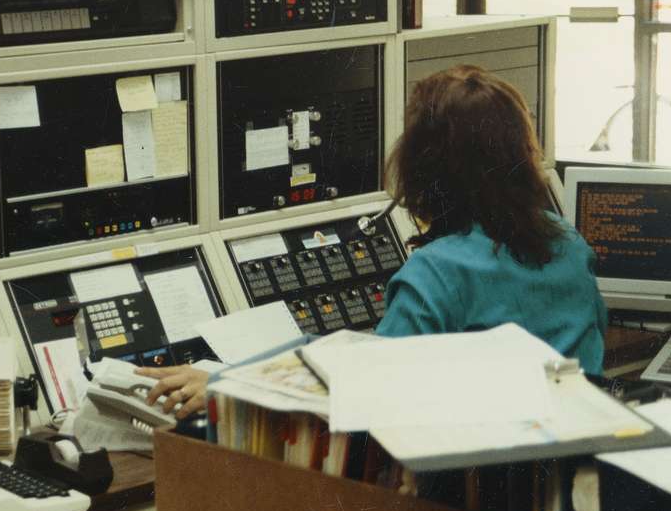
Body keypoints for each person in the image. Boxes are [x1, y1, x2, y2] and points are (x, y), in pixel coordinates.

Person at [137, 64, 606, 415]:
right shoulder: (569, 244)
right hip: (563, 489)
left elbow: (370, 391)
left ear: (425, 166)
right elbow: (356, 354)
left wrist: (225, 385)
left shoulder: (436, 272)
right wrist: (230, 372)